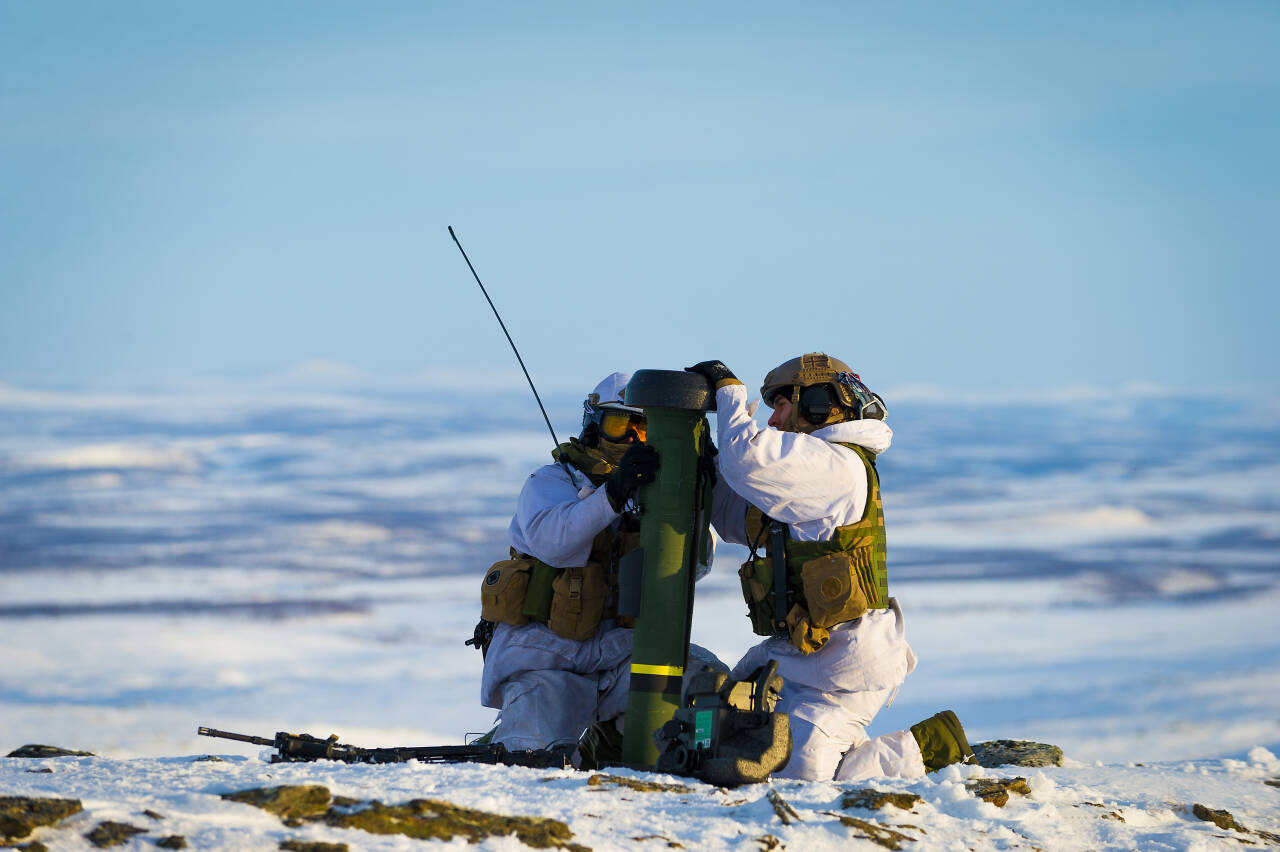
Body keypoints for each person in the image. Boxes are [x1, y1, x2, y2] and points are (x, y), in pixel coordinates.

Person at [689, 354, 973, 782]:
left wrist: (730, 392)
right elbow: (736, 519)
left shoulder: (838, 467)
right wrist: (702, 463)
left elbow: (746, 459)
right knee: (710, 717)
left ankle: (933, 745)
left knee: (803, 777)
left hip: (843, 675)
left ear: (819, 405)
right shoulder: (816, 475)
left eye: (781, 406)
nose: (774, 422)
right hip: (799, 657)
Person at [478, 372, 722, 758]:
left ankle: (683, 759)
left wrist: (694, 496)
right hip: (548, 656)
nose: (631, 439)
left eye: (644, 428)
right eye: (620, 424)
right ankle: (507, 742)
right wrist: (613, 494)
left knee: (709, 686)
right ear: (594, 425)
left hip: (623, 652)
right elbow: (553, 543)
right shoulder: (550, 482)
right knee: (531, 762)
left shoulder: (658, 496)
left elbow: (697, 566)